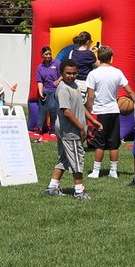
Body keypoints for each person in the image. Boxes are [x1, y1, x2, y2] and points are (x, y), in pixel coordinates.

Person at [44, 59, 102, 200]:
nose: (71, 76)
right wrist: (81, 127)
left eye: (74, 73)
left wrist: (92, 120)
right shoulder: (63, 88)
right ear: (61, 73)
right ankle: (79, 191)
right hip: (70, 131)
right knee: (77, 159)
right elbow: (67, 111)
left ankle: (52, 187)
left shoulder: (74, 85)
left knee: (64, 158)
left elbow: (81, 106)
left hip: (71, 129)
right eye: (68, 73)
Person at [84, 45, 135, 179]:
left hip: (101, 111)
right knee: (114, 142)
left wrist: (88, 111)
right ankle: (113, 170)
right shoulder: (117, 72)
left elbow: (90, 96)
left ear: (98, 57)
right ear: (111, 58)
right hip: (114, 110)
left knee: (100, 142)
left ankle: (96, 171)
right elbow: (129, 91)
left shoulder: (93, 74)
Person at [35, 46, 60, 135]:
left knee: (53, 108)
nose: (48, 56)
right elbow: (40, 81)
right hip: (46, 89)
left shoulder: (57, 63)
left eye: (50, 54)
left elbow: (62, 74)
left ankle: (53, 128)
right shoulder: (40, 67)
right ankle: (39, 128)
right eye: (46, 54)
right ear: (42, 55)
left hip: (55, 90)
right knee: (42, 109)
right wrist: (41, 92)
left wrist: (58, 80)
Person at [69, 31, 98, 97]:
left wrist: (90, 51)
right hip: (84, 83)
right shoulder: (88, 54)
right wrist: (97, 53)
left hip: (73, 82)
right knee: (83, 105)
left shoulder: (72, 52)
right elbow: (98, 65)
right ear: (88, 42)